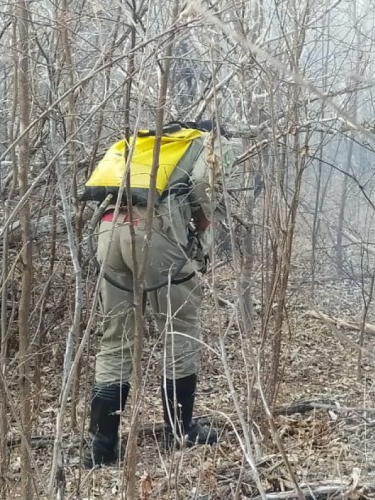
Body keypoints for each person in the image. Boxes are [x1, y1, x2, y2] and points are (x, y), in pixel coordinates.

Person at [82, 121, 232, 468]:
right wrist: (203, 223)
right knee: (179, 329)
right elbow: (203, 187)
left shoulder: (146, 142)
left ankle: (102, 448)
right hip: (155, 232)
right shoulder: (207, 142)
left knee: (114, 338)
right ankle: (181, 430)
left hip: (109, 230)